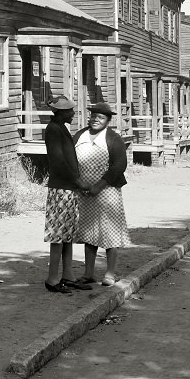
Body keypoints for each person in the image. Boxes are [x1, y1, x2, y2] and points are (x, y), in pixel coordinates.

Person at [73, 102, 131, 287]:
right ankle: (88, 273)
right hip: (84, 191)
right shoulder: (80, 135)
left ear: (107, 121)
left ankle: (109, 273)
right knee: (89, 232)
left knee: (109, 232)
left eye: (101, 118)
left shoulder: (113, 139)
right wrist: (79, 183)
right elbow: (71, 160)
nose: (96, 120)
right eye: (94, 117)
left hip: (107, 191)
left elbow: (118, 166)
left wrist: (99, 185)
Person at [42, 96, 89, 294]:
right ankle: (52, 279)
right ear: (61, 113)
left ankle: (67, 276)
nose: (73, 113)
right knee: (58, 236)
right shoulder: (53, 130)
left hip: (68, 188)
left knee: (67, 235)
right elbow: (59, 162)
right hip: (61, 188)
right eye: (69, 111)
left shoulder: (61, 128)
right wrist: (78, 181)